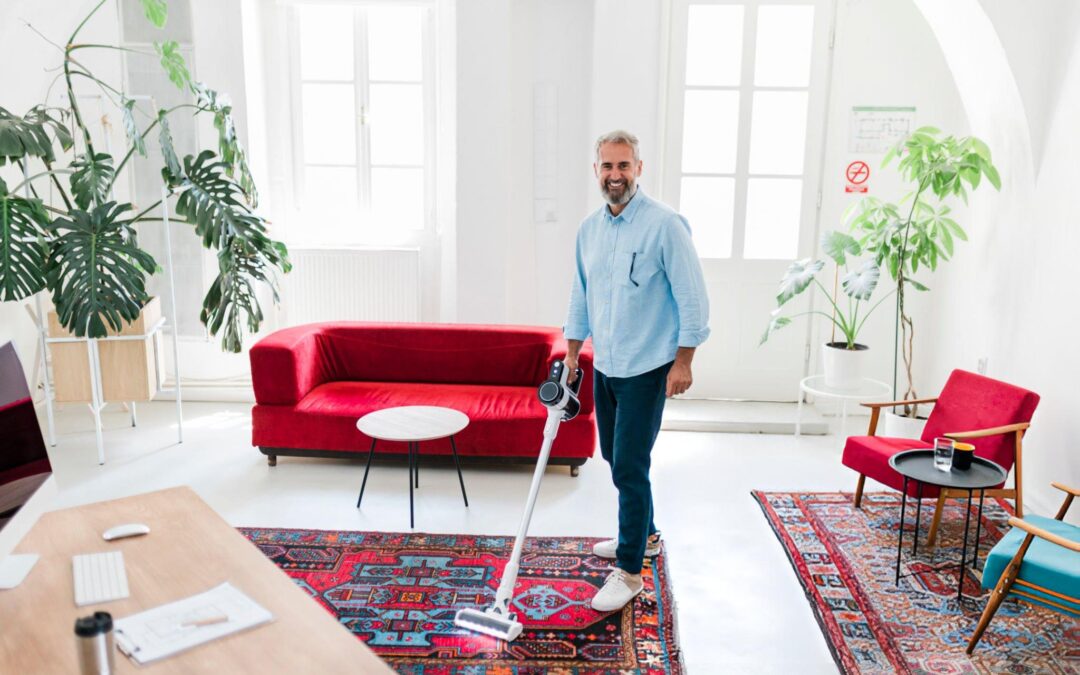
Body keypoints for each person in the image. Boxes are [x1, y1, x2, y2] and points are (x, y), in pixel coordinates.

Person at [563, 130, 710, 612]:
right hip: (607, 364)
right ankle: (645, 535)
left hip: (649, 367)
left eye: (624, 166)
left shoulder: (665, 225)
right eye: (607, 166)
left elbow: (692, 297)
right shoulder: (590, 229)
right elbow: (580, 295)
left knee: (629, 464)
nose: (615, 175)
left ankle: (629, 572)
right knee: (613, 457)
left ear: (639, 169)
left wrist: (684, 361)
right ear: (596, 171)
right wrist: (571, 353)